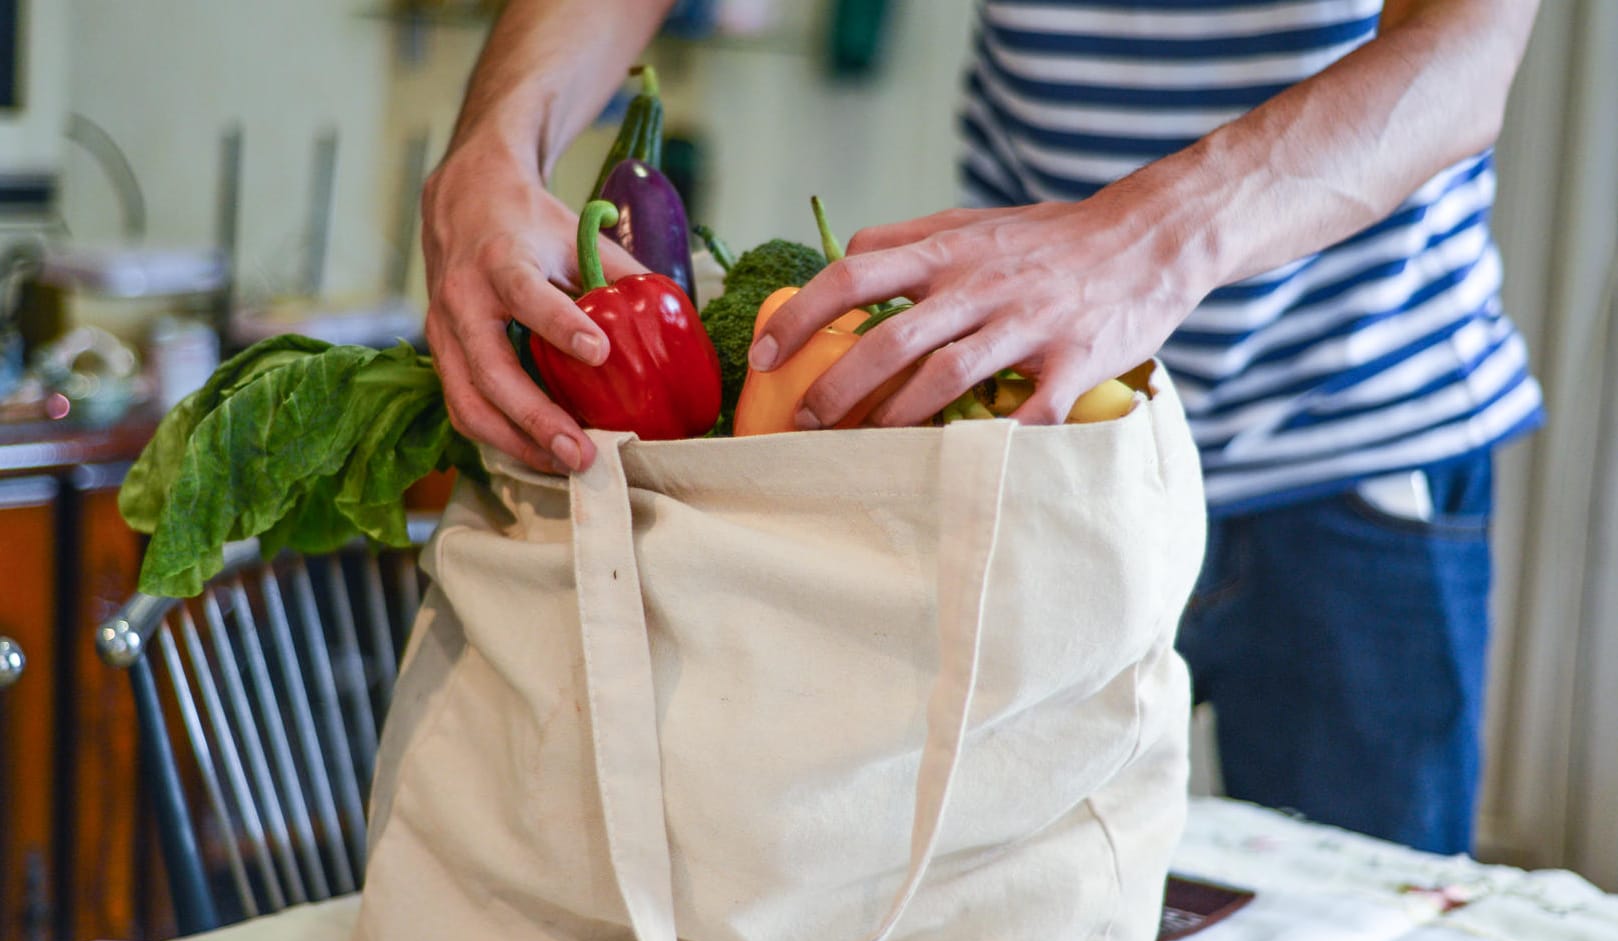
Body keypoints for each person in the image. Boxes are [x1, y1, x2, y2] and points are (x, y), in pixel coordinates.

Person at [421, 0, 1542, 855]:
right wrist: (494, 146)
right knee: (989, 935)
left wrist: (1140, 243)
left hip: (1354, 438)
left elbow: (1464, 55)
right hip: (1021, 447)